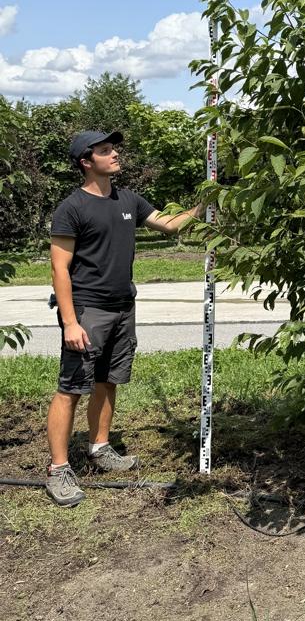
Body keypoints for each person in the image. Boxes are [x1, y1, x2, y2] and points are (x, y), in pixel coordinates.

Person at [45, 129, 202, 506]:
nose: (114, 154)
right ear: (86, 161)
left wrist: (203, 204)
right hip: (87, 310)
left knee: (108, 381)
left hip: (122, 307)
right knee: (71, 389)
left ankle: (100, 447)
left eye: (113, 148)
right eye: (105, 150)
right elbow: (59, 269)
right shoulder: (72, 208)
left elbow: (169, 224)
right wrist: (70, 322)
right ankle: (59, 469)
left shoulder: (128, 198)